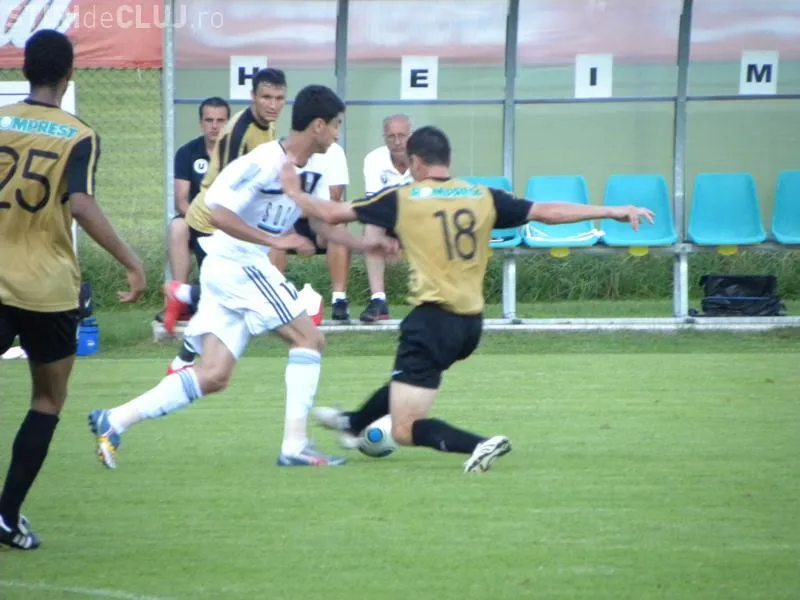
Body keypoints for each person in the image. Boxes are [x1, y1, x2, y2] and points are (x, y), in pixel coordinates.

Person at [279, 125, 654, 473]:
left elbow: (331, 212)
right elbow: (548, 212)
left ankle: (479, 444)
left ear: (416, 163)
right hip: (470, 325)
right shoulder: (482, 196)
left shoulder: (405, 198)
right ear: (448, 160)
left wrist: (294, 191)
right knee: (410, 379)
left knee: (405, 428)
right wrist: (611, 211)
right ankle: (353, 423)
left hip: (432, 322)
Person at [88, 85, 397, 469]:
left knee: (214, 375)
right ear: (318, 125)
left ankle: (115, 420)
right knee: (309, 338)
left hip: (235, 268)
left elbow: (320, 223)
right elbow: (218, 213)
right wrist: (275, 240)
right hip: (238, 263)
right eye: (336, 125)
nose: (337, 133)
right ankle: (295, 446)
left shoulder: (314, 166)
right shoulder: (264, 161)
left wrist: (365, 245)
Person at [0, 30, 146, 550]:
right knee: (47, 398)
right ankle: (6, 516)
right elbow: (80, 205)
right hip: (47, 290)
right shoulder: (78, 135)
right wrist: (131, 261)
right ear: (69, 74)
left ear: (23, 70)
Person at [164, 68, 288, 373]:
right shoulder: (239, 133)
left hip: (235, 218)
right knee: (230, 291)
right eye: (266, 97)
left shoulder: (268, 123)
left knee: (223, 292)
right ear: (253, 97)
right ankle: (184, 299)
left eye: (279, 98)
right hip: (214, 219)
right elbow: (228, 189)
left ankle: (183, 354)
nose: (273, 104)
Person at [357, 114, 414, 322]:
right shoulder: (374, 159)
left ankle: (439, 300)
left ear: (411, 136)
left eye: (402, 136)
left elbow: (432, 202)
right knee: (371, 227)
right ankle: (378, 301)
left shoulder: (425, 158)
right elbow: (374, 205)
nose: (397, 142)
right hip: (386, 219)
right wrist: (388, 237)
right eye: (391, 136)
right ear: (385, 138)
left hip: (419, 220)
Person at [168, 97, 230, 285]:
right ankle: (179, 294)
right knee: (177, 226)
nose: (214, 126)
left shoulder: (238, 153)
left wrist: (222, 222)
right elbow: (181, 201)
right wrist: (204, 220)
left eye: (220, 120)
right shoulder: (187, 152)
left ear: (228, 123)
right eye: (209, 120)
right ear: (201, 123)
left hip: (230, 221)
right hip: (196, 218)